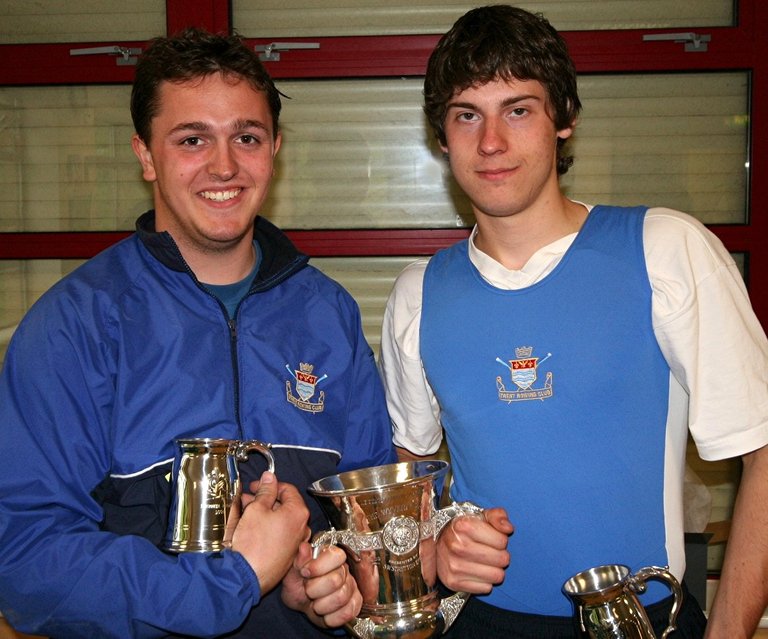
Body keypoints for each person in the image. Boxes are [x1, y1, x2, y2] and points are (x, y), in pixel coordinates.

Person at [378, 5, 768, 638]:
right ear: (441, 136)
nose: (492, 143)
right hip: (479, 623)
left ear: (564, 121)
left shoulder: (664, 250)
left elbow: (764, 452)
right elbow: (406, 480)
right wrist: (439, 543)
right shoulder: (418, 293)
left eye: (519, 109)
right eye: (466, 115)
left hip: (644, 622)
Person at [0, 28, 396, 638]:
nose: (224, 166)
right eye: (192, 139)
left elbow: (365, 519)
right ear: (145, 155)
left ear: (275, 149)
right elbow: (26, 562)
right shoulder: (75, 325)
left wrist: (323, 585)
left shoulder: (328, 314)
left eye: (247, 137)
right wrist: (231, 580)